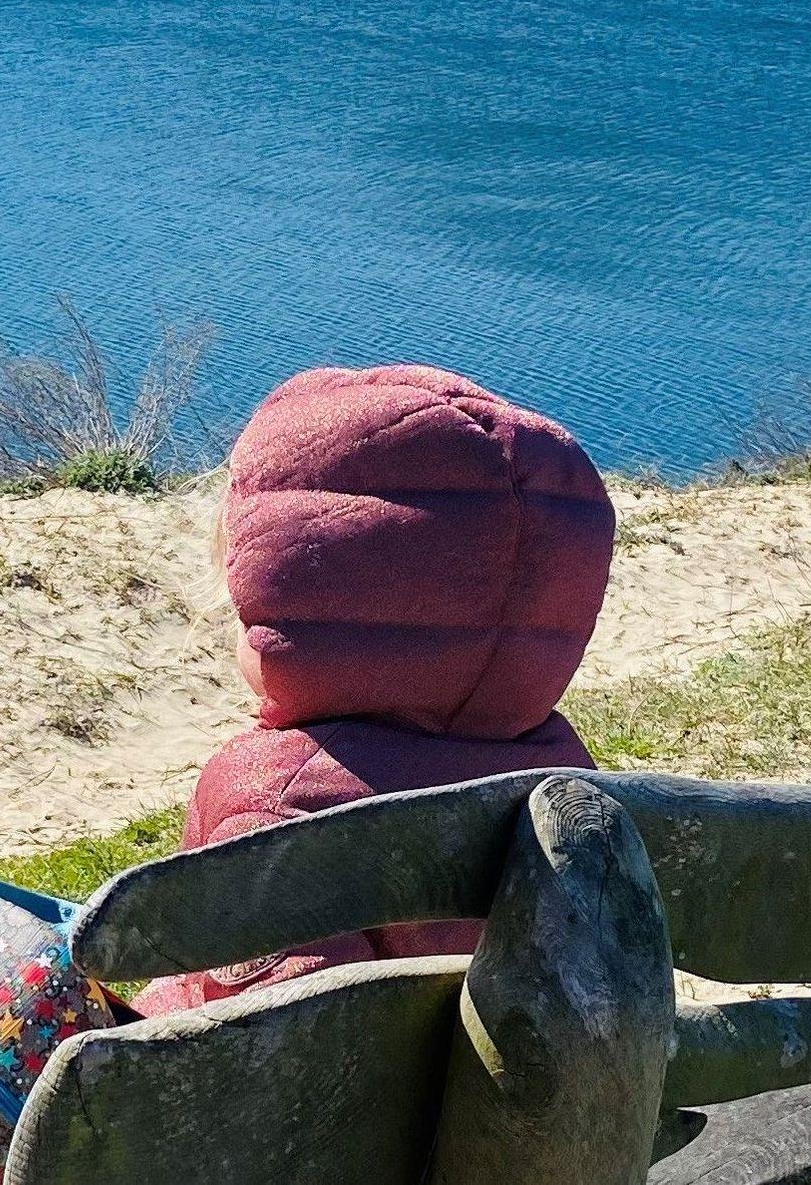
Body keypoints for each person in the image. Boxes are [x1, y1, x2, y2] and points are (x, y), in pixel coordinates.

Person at [140, 364, 616, 1012]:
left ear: (304, 610)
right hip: (515, 1073)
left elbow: (273, 1039)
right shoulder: (566, 778)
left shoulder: (272, 804)